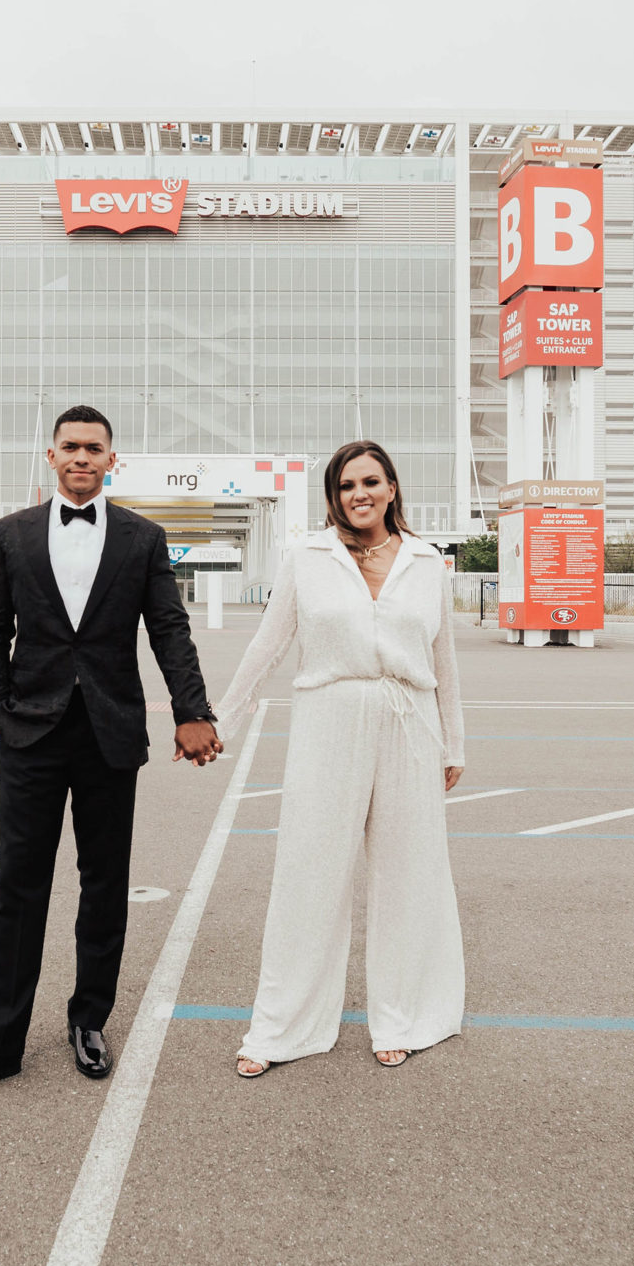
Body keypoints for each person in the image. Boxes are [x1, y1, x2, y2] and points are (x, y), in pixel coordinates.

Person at [0, 405, 223, 1107]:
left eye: (94, 447)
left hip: (109, 733)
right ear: (51, 455)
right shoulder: (12, 534)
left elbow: (169, 629)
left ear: (112, 459)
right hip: (30, 733)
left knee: (105, 883)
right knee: (19, 884)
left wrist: (193, 711)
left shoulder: (144, 538)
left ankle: (88, 1020)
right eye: (71, 446)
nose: (82, 456)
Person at [214, 439, 466, 1076]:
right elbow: (269, 645)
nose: (360, 494)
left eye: (371, 482)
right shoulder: (309, 557)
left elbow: (444, 662)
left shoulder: (427, 562)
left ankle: (405, 1017)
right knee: (309, 871)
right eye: (347, 485)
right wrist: (220, 721)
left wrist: (454, 742)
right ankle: (282, 1029)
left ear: (391, 489)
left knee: (410, 875)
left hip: (410, 722)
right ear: (334, 495)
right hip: (329, 717)